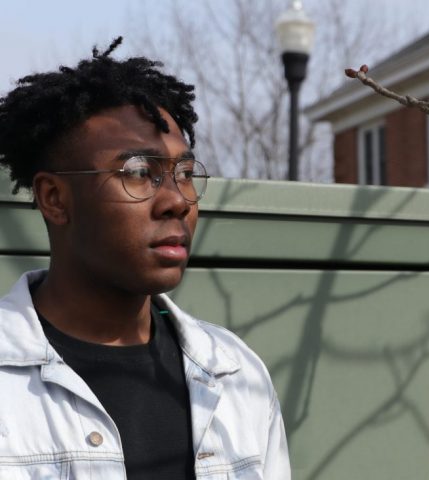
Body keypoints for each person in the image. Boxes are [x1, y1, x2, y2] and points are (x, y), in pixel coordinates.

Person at [0, 37, 290, 479]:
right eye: (138, 173)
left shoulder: (235, 375)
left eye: (186, 175)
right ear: (54, 198)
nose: (177, 201)